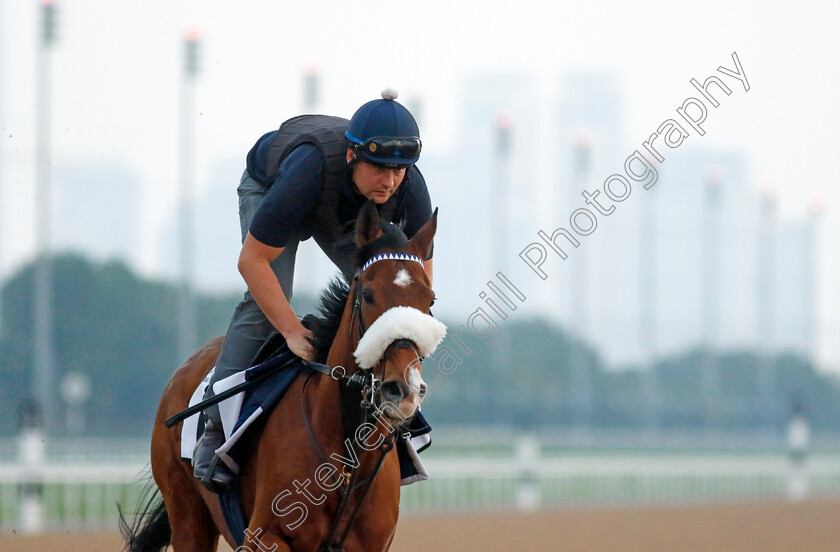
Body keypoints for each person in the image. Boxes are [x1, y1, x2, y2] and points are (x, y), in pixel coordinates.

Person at [192, 89, 434, 493]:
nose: (390, 181)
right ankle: (216, 429)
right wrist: (289, 329)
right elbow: (252, 263)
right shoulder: (309, 171)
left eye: (399, 171)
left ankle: (383, 414)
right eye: (379, 168)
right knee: (266, 300)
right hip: (272, 188)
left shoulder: (408, 188)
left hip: (345, 209)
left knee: (378, 296)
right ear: (352, 156)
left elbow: (417, 291)